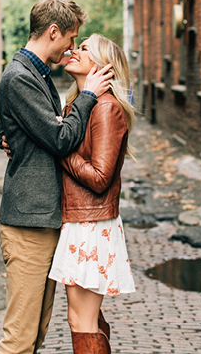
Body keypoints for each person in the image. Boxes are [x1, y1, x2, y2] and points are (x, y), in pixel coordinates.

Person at [0, 0, 113, 354]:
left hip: (43, 220)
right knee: (19, 338)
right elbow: (59, 138)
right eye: (71, 38)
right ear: (54, 31)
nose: (72, 47)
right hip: (28, 223)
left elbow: (9, 123)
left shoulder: (36, 74)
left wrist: (6, 135)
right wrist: (89, 94)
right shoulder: (19, 77)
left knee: (36, 332)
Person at [47, 34, 135, 354]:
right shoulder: (81, 104)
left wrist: (59, 148)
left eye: (84, 49)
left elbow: (100, 178)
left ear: (102, 66)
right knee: (85, 320)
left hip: (91, 225)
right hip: (80, 221)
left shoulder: (106, 108)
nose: (74, 50)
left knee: (81, 321)